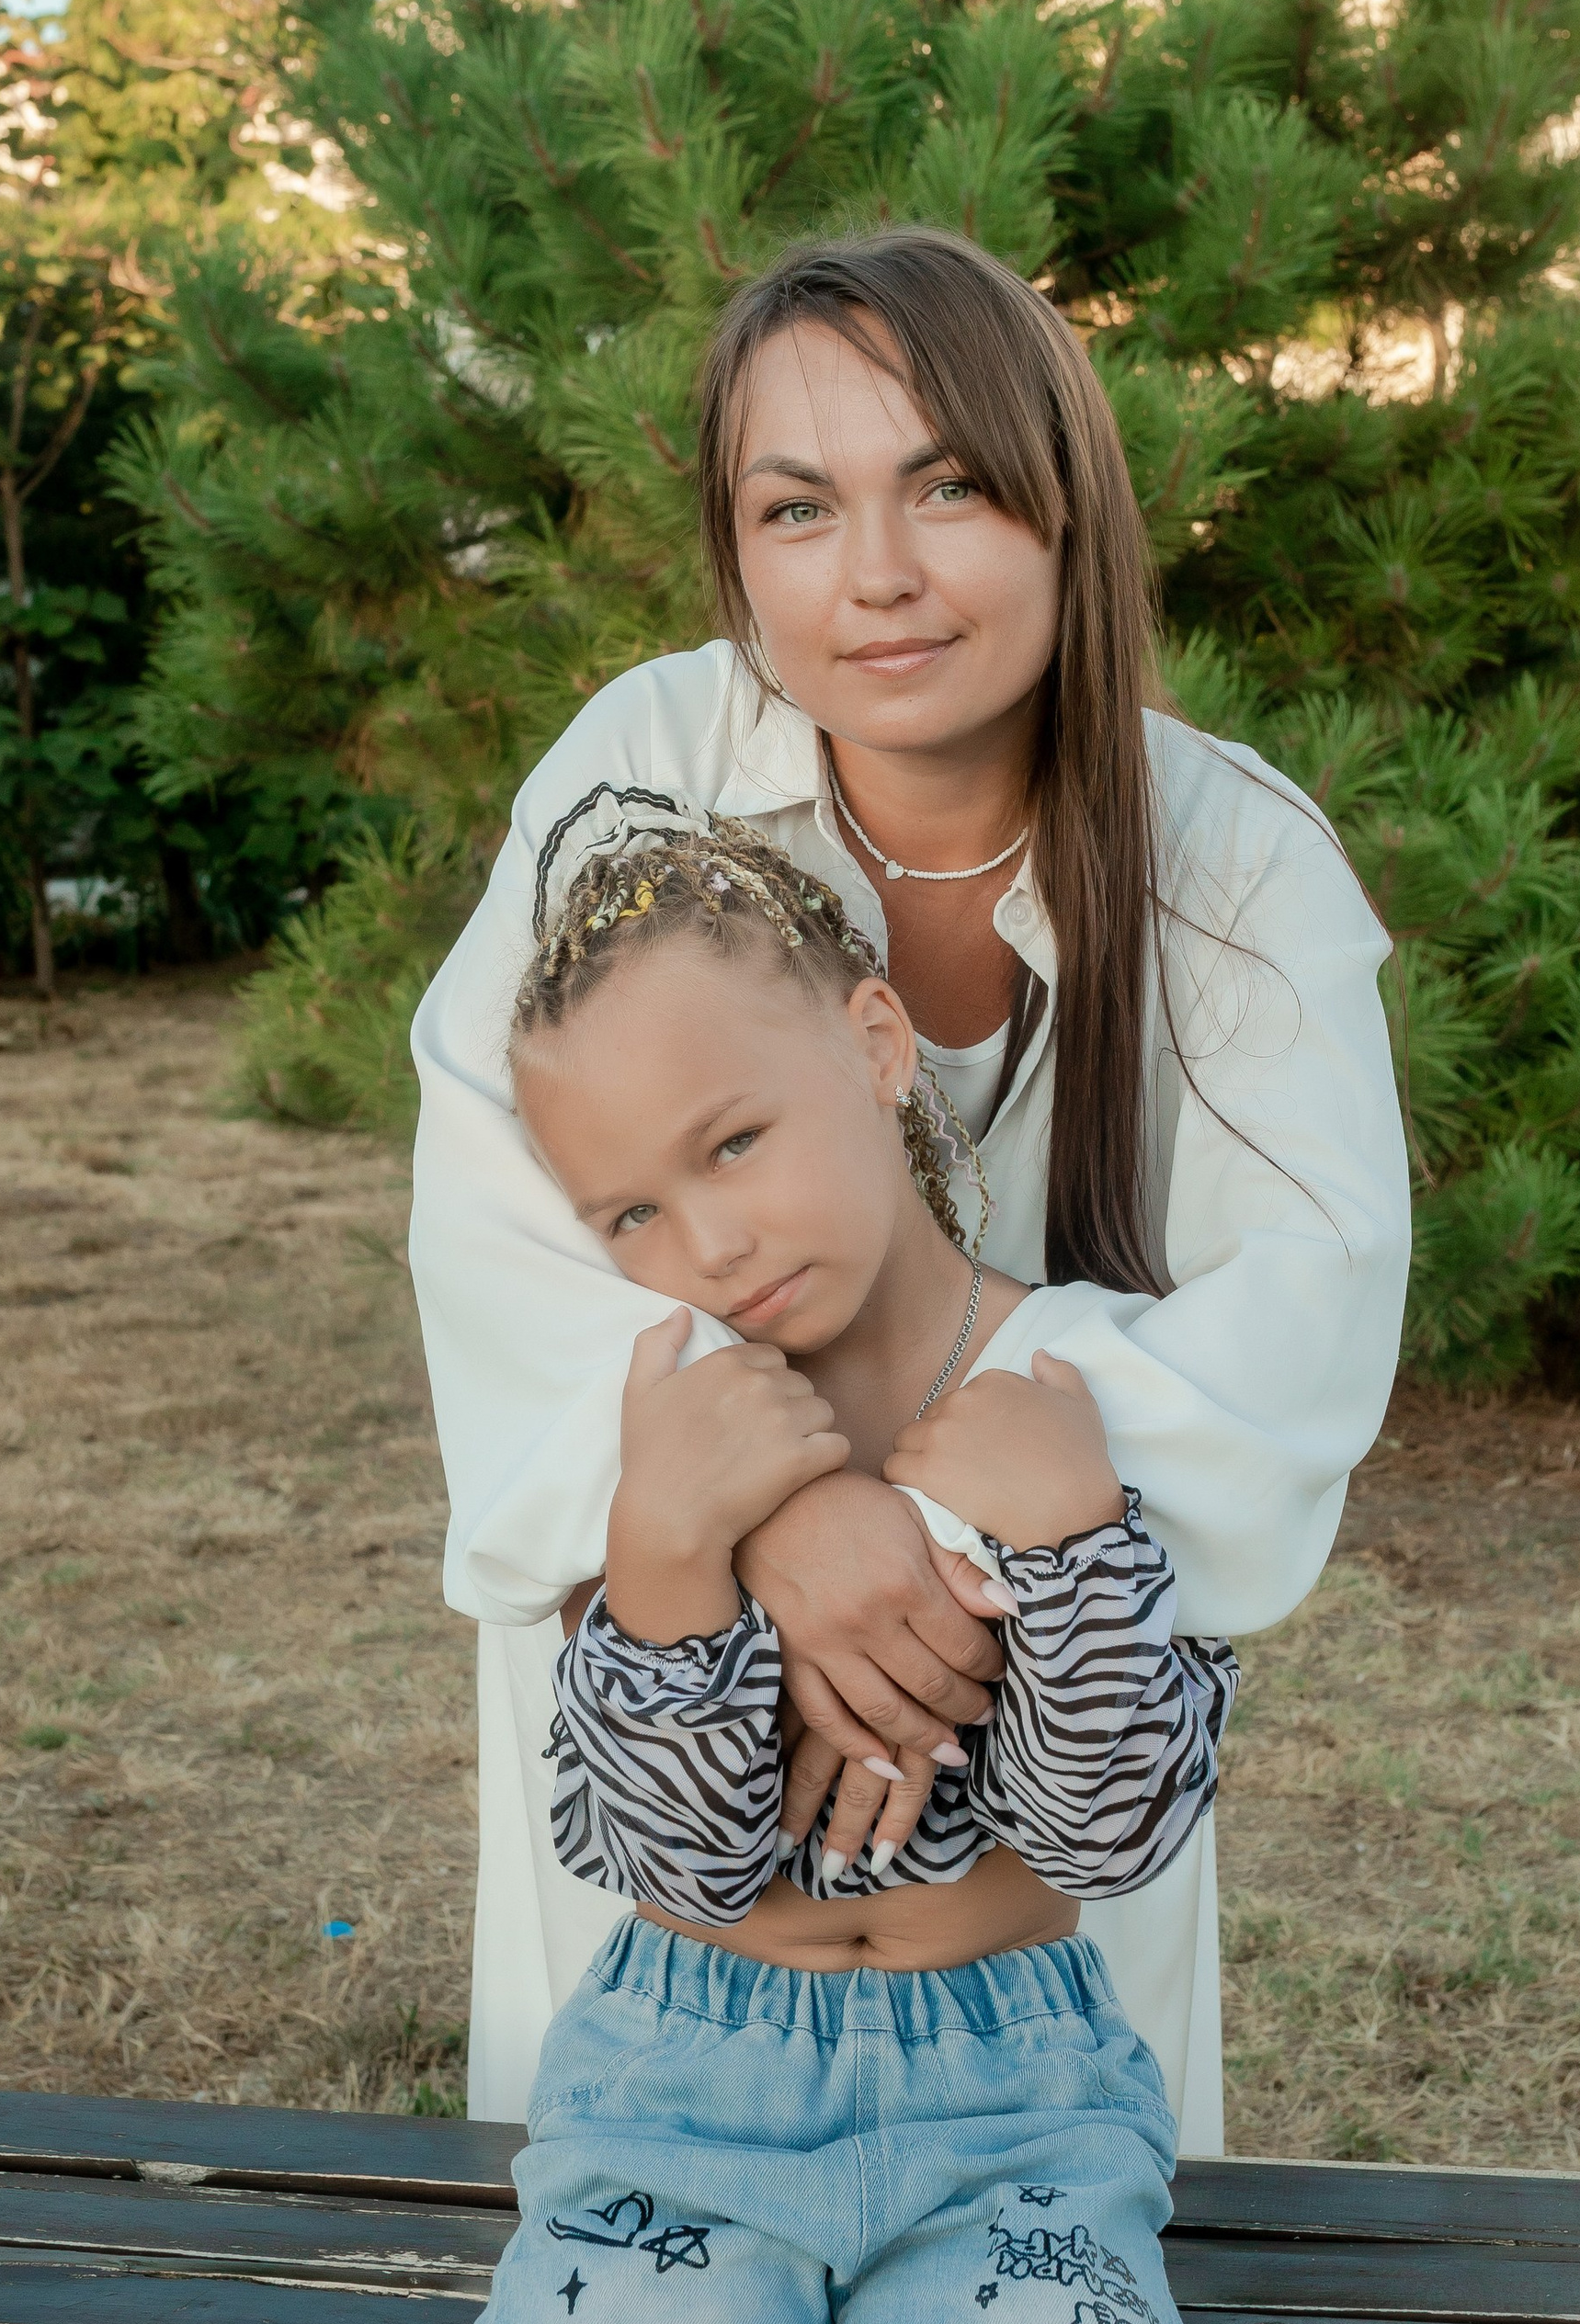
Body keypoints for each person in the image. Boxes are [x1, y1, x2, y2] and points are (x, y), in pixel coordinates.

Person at [410, 224, 1412, 2148]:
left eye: (943, 485)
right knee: (650, 2317)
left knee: (1038, 2319)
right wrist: (758, 1509)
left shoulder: (1235, 859)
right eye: (797, 508)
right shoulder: (642, 774)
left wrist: (948, 1542)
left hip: (1039, 1708)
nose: (874, 574)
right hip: (686, 1648)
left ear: (1063, 507)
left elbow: (1296, 1326)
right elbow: (500, 1208)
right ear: (735, 555)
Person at [438, 807, 1252, 2324]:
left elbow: (1107, 1829)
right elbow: (676, 1862)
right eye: (629, 1212)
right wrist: (657, 1568)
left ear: (879, 1050)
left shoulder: (1095, 1390)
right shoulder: (662, 1420)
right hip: (674, 2104)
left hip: (1017, 2119)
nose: (703, 1242)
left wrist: (1070, 1555)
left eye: (731, 1143)